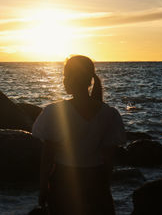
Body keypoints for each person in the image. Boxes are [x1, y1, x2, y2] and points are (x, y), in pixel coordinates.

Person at [32, 55, 126, 215]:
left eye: (66, 76)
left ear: (71, 79)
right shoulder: (110, 114)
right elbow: (109, 160)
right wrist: (104, 188)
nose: (64, 80)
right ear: (90, 80)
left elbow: (47, 157)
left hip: (64, 180)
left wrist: (43, 188)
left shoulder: (55, 112)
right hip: (96, 181)